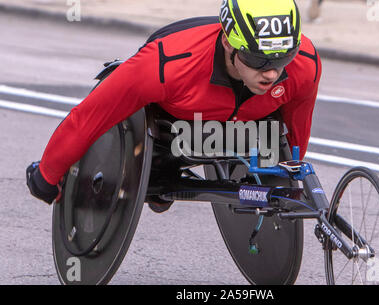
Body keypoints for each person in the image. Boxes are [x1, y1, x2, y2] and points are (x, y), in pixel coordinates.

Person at [26, 0, 322, 210]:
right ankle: (160, 163)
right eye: (258, 60)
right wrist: (48, 175)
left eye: (282, 59)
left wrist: (290, 176)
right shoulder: (164, 66)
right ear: (229, 44)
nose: (271, 73)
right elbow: (89, 117)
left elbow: (297, 128)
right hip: (176, 119)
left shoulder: (304, 64)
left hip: (244, 125)